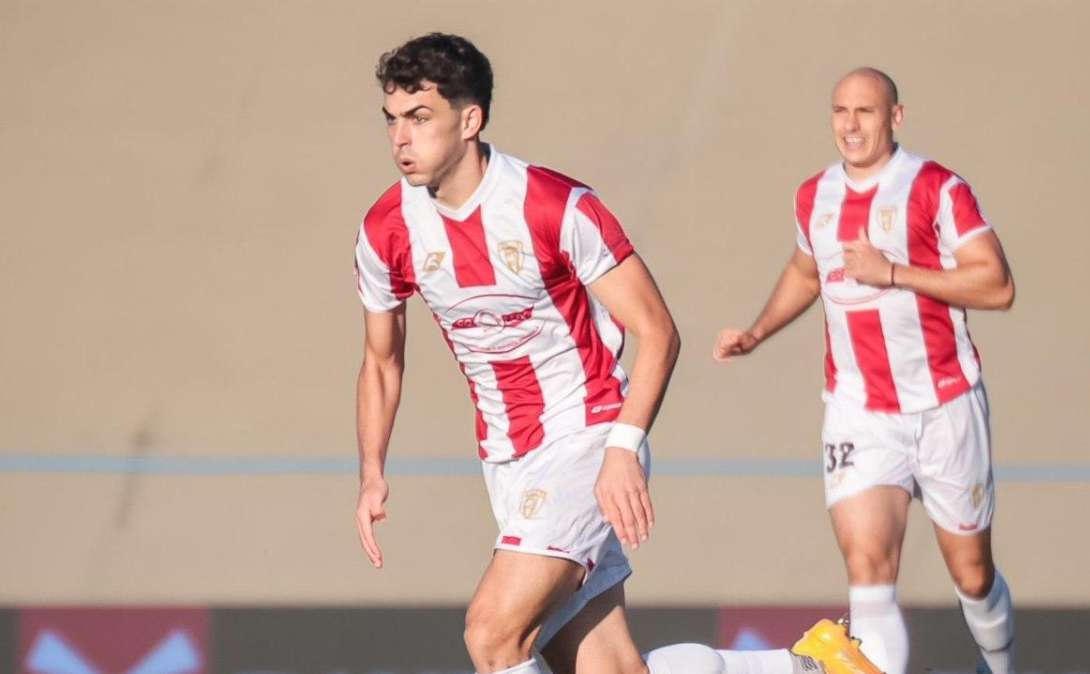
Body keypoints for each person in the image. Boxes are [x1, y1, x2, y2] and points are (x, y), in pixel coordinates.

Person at [353, 33, 880, 674]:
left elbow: (658, 331)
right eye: (392, 120)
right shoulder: (387, 229)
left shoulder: (553, 206)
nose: (400, 138)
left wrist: (621, 450)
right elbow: (383, 359)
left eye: (419, 118)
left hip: (587, 439)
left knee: (491, 634)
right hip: (508, 460)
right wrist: (373, 469)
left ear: (470, 120)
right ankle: (811, 667)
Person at [713, 67, 1017, 674]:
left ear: (895, 117)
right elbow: (806, 271)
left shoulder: (936, 188)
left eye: (866, 112)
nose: (850, 126)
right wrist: (757, 332)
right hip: (858, 410)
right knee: (868, 568)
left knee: (973, 573)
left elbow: (998, 285)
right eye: (840, 112)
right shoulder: (813, 196)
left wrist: (896, 273)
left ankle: (1000, 663)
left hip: (945, 404)